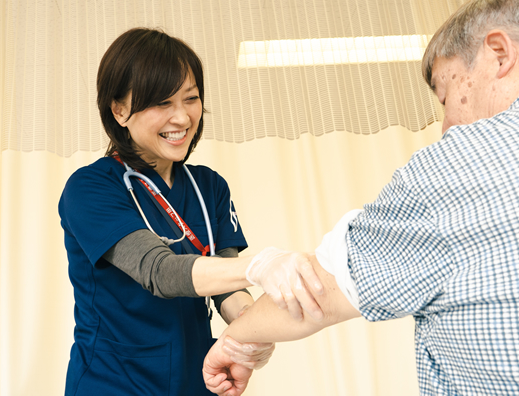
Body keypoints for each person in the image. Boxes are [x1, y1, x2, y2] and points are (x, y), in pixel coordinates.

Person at [202, 0, 519, 395]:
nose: (447, 126)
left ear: (499, 53)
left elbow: (320, 290)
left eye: (446, 96)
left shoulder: (466, 157)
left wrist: (235, 342)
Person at [59, 28, 324, 395]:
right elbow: (159, 271)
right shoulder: (91, 189)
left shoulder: (209, 187)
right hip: (114, 382)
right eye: (162, 103)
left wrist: (249, 331)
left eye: (191, 99)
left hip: (195, 381)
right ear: (119, 110)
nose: (182, 118)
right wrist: (261, 265)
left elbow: (227, 288)